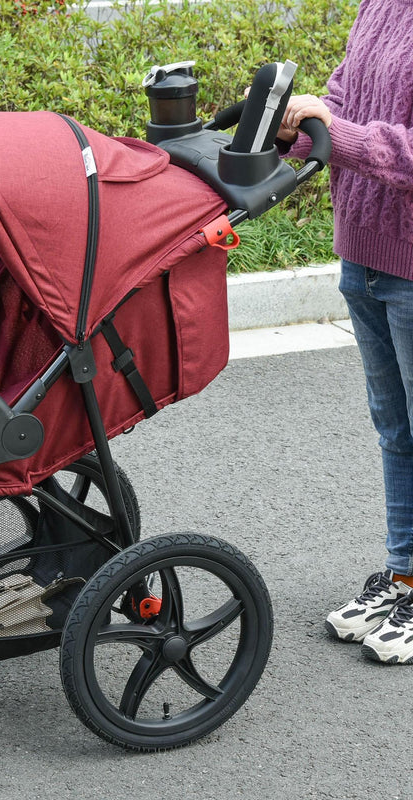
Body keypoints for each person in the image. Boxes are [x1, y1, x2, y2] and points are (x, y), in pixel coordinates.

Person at [276, 0, 413, 664]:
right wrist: (299, 127)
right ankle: (406, 576)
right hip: (361, 260)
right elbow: (345, 98)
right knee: (395, 430)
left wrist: (343, 133)